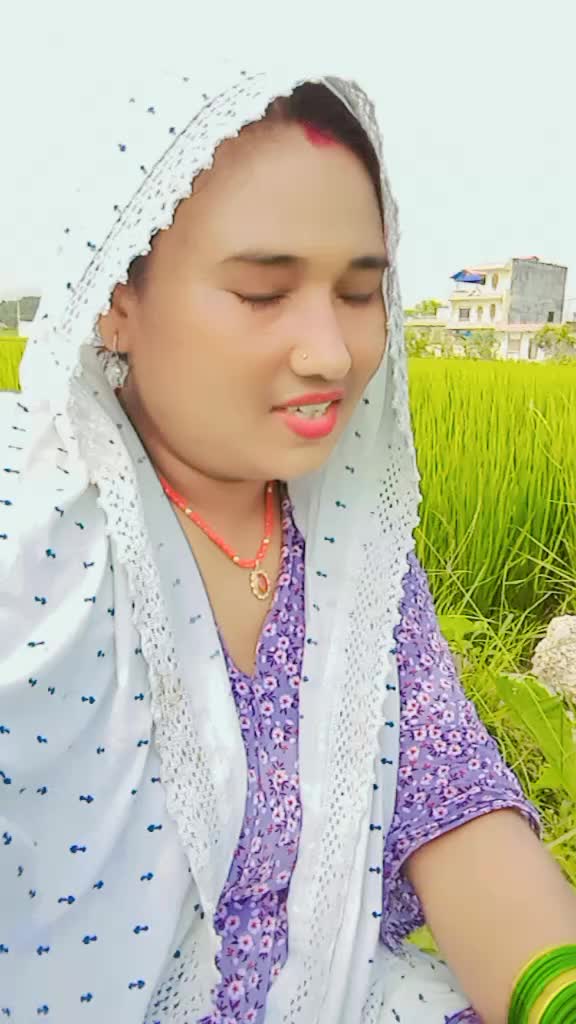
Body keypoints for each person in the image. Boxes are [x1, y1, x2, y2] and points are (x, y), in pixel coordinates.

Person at [0, 61, 575, 1024]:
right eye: (265, 292)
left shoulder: (353, 551)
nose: (332, 352)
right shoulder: (32, 534)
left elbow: (449, 799)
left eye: (359, 293)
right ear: (116, 299)